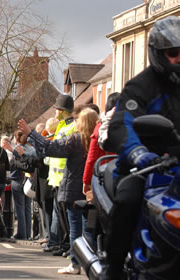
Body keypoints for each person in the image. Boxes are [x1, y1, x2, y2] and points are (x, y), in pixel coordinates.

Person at [101, 16, 180, 280]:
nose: (179, 58)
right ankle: (113, 269)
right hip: (148, 168)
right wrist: (137, 153)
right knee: (128, 201)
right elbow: (123, 124)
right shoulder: (141, 86)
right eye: (174, 53)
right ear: (158, 54)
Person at [24, 108, 99, 274]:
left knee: (75, 229)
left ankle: (75, 264)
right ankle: (92, 264)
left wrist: (31, 134)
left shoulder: (75, 139)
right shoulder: (98, 140)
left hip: (73, 189)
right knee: (89, 229)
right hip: (93, 191)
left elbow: (51, 147)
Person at [20, 94, 75, 256]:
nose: (55, 111)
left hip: (64, 177)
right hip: (57, 177)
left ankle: (65, 244)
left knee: (65, 217)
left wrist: (31, 134)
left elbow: (53, 148)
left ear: (63, 110)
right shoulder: (63, 125)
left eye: (57, 108)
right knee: (60, 216)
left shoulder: (70, 127)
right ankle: (60, 243)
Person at [10, 130, 36, 240]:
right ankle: (28, 233)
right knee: (27, 209)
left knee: (19, 208)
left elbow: (13, 164)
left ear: (16, 139)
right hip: (29, 181)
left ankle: (22, 234)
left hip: (17, 179)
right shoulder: (32, 149)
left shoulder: (17, 149)